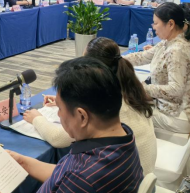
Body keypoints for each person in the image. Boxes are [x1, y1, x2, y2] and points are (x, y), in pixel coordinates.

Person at [0, 57, 143, 193]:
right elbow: (62, 174)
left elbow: (76, 180)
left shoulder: (83, 182)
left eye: (60, 109)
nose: (59, 115)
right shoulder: (121, 137)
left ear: (82, 117)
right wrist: (24, 162)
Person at [24, 37, 156, 176]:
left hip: (124, 180)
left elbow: (57, 138)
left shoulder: (108, 104)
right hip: (138, 176)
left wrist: (36, 118)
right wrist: (64, 103)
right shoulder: (128, 90)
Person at [124, 3, 190, 133]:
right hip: (174, 108)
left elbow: (176, 89)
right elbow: (142, 56)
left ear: (170, 24)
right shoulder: (169, 42)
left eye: (156, 23)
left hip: (179, 116)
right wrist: (117, 59)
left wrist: (141, 88)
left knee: (126, 114)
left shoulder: (177, 50)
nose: (153, 26)